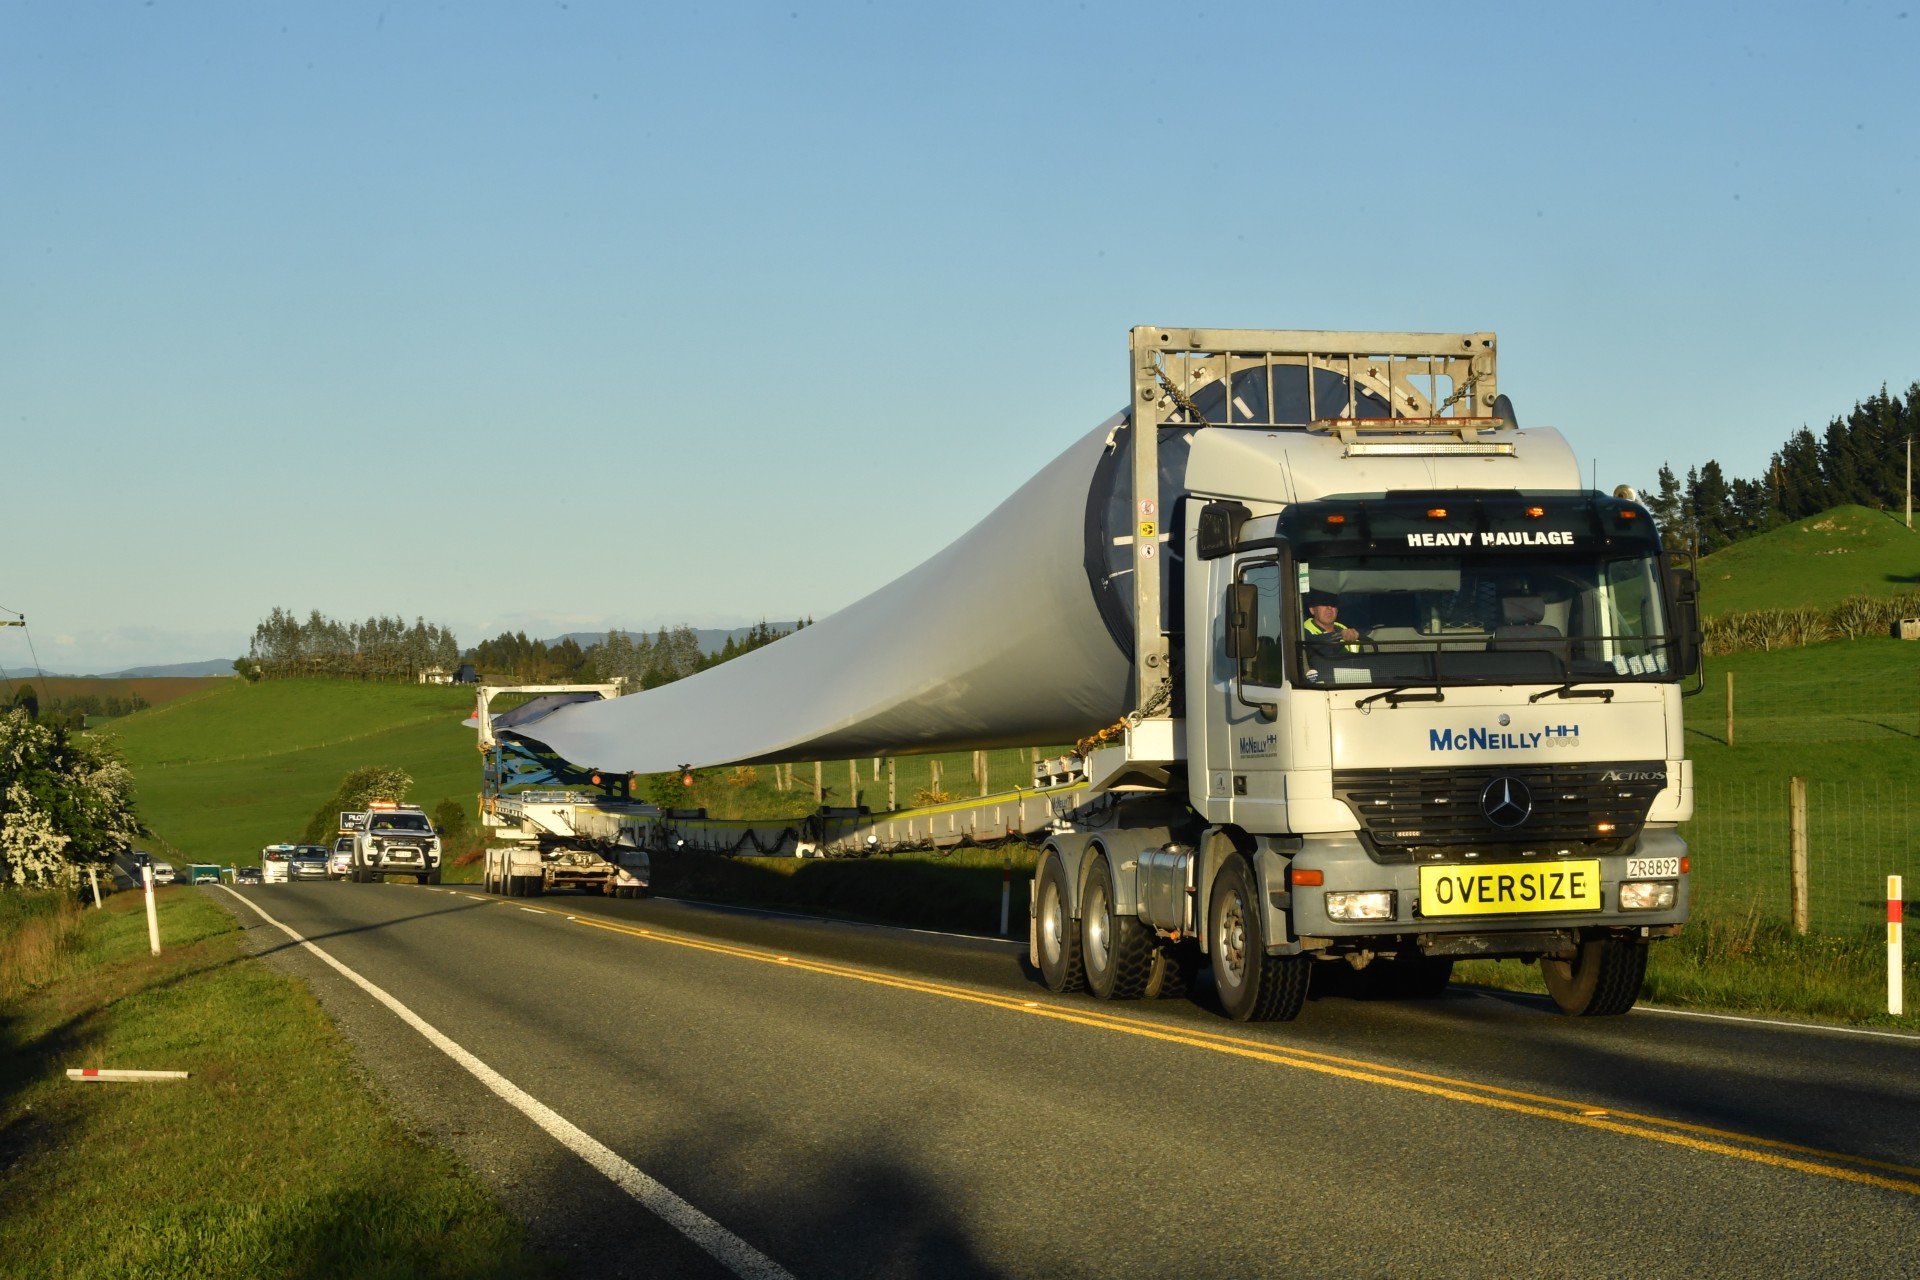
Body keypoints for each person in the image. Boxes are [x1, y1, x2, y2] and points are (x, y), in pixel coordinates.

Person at [1302, 589, 1360, 666]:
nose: (1329, 607)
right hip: (1322, 677)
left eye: (1333, 604)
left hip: (1353, 675)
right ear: (1312, 610)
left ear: (1337, 610)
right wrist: (1339, 636)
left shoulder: (1347, 631)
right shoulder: (1302, 632)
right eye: (1323, 603)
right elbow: (1313, 644)